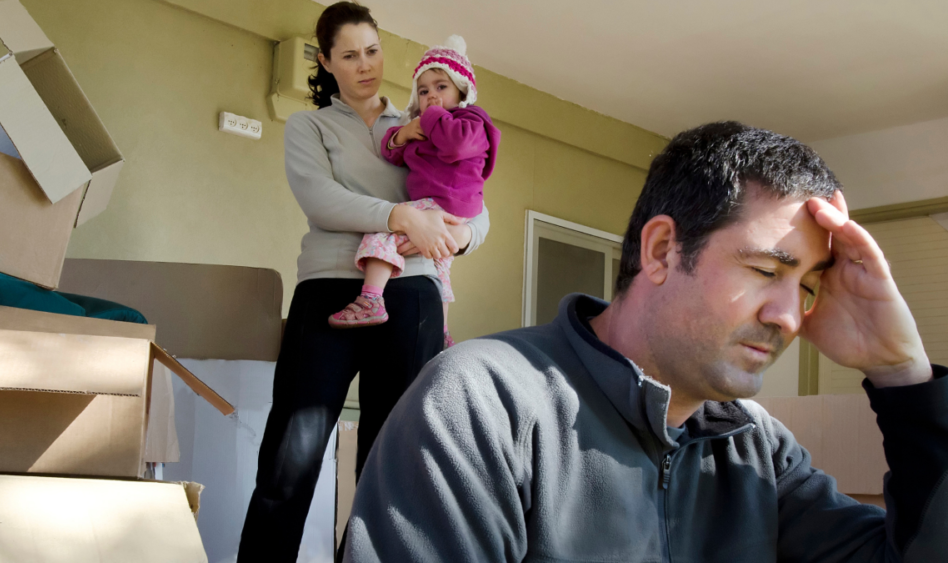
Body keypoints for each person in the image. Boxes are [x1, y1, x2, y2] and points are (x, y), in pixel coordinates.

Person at [343, 122, 947, 562]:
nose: (790, 317)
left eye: (809, 287)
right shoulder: (484, 404)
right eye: (767, 271)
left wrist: (904, 376)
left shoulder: (756, 449)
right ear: (662, 250)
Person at [236, 3, 490, 561]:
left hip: (413, 295)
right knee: (290, 459)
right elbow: (321, 199)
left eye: (372, 50)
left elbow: (474, 204)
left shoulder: (423, 120)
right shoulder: (311, 125)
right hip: (329, 288)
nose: (365, 65)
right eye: (349, 55)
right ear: (326, 62)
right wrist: (401, 216)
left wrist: (458, 237)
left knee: (387, 466)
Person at [329, 34, 501, 351]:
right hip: (445, 206)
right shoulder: (427, 127)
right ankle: (444, 331)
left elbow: (458, 144)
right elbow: (394, 155)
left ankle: (370, 299)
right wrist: (403, 134)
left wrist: (432, 114)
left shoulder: (470, 120)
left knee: (383, 232)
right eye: (423, 91)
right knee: (440, 266)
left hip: (448, 200)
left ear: (462, 89)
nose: (431, 96)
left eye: (441, 87)